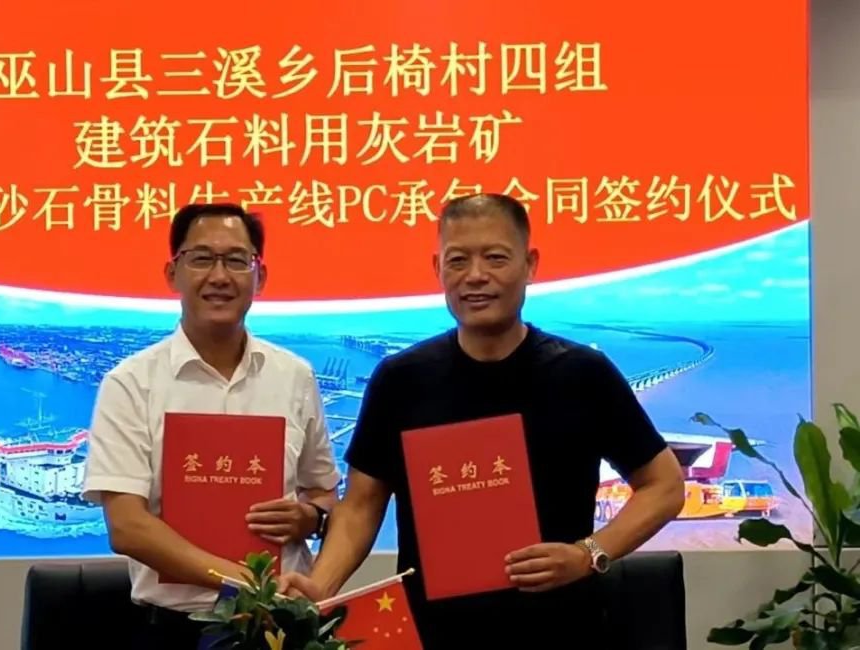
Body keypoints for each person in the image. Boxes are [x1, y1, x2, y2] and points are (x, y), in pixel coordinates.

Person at [278, 193, 686, 647]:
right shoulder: (401, 379)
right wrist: (320, 585)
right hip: (433, 634)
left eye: (495, 258)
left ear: (530, 264)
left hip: (562, 630)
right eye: (458, 260)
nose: (476, 275)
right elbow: (360, 506)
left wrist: (587, 554)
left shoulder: (582, 374)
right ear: (438, 269)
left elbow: (665, 486)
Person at [81, 203, 341, 648]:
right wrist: (248, 582)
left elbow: (323, 492)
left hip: (280, 630)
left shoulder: (294, 376)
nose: (219, 276)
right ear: (173, 273)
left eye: (237, 260)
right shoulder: (131, 383)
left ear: (260, 276)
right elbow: (127, 526)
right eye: (201, 258)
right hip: (175, 631)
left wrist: (311, 518)